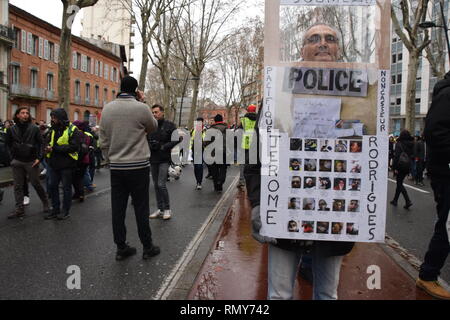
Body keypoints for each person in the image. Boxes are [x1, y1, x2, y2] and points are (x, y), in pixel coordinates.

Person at [246, 24, 354, 300]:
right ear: (302, 49)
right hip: (285, 208)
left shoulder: (356, 95)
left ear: (337, 49)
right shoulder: (277, 95)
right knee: (280, 294)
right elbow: (257, 155)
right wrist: (258, 203)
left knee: (327, 294)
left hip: (334, 211)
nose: (322, 43)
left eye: (330, 39)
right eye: (314, 39)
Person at [99, 76, 160, 261]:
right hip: (138, 166)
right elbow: (153, 127)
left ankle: (121, 247)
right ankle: (147, 246)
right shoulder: (141, 108)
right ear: (136, 90)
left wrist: (109, 158)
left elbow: (103, 139)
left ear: (120, 88)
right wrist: (143, 101)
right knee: (141, 208)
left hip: (117, 166)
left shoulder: (107, 109)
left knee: (118, 208)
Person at [416, 71, 450, 300]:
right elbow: (435, 132)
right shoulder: (447, 94)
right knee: (448, 224)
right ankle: (428, 274)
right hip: (446, 172)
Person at [5, 107, 49, 219]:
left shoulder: (34, 128)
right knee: (18, 186)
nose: (25, 115)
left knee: (36, 183)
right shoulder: (11, 129)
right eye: (22, 113)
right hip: (17, 161)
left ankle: (45, 203)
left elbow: (41, 144)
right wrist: (12, 159)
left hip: (31, 161)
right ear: (18, 115)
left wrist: (39, 158)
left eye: (27, 113)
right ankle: (19, 209)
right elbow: (7, 145)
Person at [44, 108, 80, 220]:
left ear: (61, 117)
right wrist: (46, 148)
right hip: (54, 164)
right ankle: (55, 210)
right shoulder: (52, 129)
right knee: (52, 187)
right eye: (52, 117)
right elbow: (47, 142)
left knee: (66, 188)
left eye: (54, 117)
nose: (52, 120)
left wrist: (54, 148)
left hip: (67, 164)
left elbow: (74, 147)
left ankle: (65, 211)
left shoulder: (73, 129)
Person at [148, 104, 179, 220]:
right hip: (153, 158)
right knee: (156, 185)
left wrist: (164, 146)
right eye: (153, 113)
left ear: (162, 112)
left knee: (161, 184)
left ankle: (167, 209)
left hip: (164, 159)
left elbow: (176, 139)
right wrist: (151, 144)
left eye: (156, 112)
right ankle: (160, 209)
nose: (154, 114)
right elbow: (146, 138)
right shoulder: (150, 125)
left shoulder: (169, 125)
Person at [390, 129, 413, 209]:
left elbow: (396, 157)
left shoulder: (399, 144)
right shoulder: (412, 144)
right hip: (407, 165)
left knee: (399, 183)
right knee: (399, 182)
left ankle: (408, 200)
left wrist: (394, 167)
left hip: (400, 166)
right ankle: (395, 200)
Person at [205, 114, 228, 193]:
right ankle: (220, 182)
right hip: (224, 152)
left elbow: (206, 142)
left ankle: (216, 186)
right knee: (223, 168)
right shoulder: (227, 129)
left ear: (215, 121)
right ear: (222, 120)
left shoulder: (210, 130)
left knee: (214, 169)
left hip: (213, 152)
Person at [237, 104, 258, 188]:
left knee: (242, 163)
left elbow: (239, 132)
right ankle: (253, 181)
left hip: (245, 144)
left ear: (248, 111)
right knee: (254, 164)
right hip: (255, 144)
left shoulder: (243, 120)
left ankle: (242, 180)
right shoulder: (259, 119)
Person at [191, 117, 206, 190]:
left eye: (200, 122)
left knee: (199, 166)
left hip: (202, 150)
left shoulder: (205, 130)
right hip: (195, 151)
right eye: (198, 122)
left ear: (202, 122)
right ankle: (197, 180)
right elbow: (192, 140)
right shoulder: (194, 130)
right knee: (196, 167)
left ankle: (199, 182)